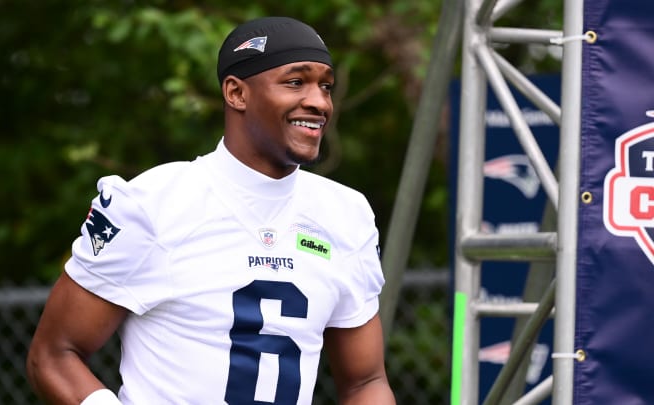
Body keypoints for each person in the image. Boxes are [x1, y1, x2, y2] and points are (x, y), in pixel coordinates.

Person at [26, 16, 396, 405]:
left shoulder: (345, 214)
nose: (319, 102)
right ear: (236, 93)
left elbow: (365, 381)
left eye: (326, 86)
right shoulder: (154, 203)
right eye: (295, 82)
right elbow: (53, 355)